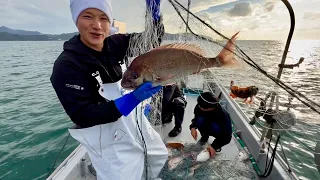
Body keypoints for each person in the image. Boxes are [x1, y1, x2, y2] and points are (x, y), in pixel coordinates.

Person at [50, 0, 168, 179]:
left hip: (132, 122)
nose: (97, 26)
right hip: (105, 137)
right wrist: (132, 99)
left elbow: (150, 40)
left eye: (103, 18)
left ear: (110, 22)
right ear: (76, 20)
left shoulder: (115, 44)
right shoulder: (66, 66)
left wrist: (155, 15)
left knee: (158, 155)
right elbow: (83, 115)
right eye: (87, 16)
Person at [189, 92, 232, 158]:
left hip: (216, 129)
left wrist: (214, 146)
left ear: (210, 108)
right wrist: (193, 127)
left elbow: (227, 137)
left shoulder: (223, 115)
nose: (199, 106)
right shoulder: (199, 106)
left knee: (216, 128)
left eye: (201, 106)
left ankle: (217, 145)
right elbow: (196, 118)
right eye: (199, 105)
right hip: (206, 124)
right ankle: (204, 137)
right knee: (199, 120)